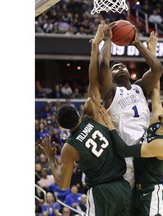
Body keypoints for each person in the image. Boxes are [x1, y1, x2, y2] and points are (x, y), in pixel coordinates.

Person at [39, 21, 134, 216]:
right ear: (77, 113)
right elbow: (94, 81)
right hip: (123, 187)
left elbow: (63, 184)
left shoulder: (69, 147)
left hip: (101, 193)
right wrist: (95, 46)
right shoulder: (94, 115)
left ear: (62, 127)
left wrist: (50, 157)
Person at [99, 38, 163, 216]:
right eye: (115, 68)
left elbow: (126, 149)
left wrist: (110, 125)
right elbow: (156, 87)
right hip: (131, 173)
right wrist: (151, 50)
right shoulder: (155, 123)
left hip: (147, 184)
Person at [98, 22, 163, 188]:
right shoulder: (110, 93)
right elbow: (103, 65)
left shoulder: (140, 87)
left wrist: (138, 43)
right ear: (111, 77)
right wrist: (107, 40)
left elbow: (157, 69)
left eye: (122, 66)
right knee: (128, 198)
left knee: (145, 197)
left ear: (129, 73)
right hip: (124, 154)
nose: (119, 67)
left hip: (146, 148)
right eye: (115, 68)